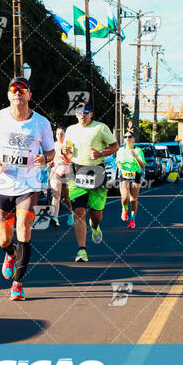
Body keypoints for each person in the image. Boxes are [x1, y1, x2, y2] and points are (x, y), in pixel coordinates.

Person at [0, 77, 55, 301]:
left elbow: (51, 152)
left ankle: (18, 284)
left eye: (22, 89)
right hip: (3, 184)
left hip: (28, 185)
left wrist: (44, 158)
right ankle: (10, 254)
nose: (18, 92)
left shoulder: (41, 123)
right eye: (13, 89)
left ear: (29, 95)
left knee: (23, 227)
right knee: (3, 240)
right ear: (9, 95)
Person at [64, 102, 119, 262]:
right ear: (75, 114)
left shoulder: (101, 128)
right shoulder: (70, 130)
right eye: (79, 111)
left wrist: (100, 152)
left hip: (96, 171)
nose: (82, 114)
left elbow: (115, 146)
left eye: (86, 111)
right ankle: (82, 250)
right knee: (78, 212)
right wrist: (65, 151)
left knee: (96, 214)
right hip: (76, 172)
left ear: (91, 114)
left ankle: (95, 226)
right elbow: (67, 151)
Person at [116, 131, 146, 228]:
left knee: (133, 199)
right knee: (125, 198)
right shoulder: (120, 150)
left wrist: (135, 156)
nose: (127, 138)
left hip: (135, 174)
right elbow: (117, 161)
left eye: (129, 136)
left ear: (133, 139)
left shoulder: (138, 150)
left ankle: (132, 219)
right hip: (124, 175)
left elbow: (143, 166)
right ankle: (124, 209)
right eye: (125, 136)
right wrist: (119, 165)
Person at [49, 126, 74, 227]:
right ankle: (55, 218)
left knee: (66, 198)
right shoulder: (53, 145)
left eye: (61, 134)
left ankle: (70, 213)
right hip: (56, 172)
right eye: (58, 134)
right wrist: (48, 162)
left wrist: (67, 154)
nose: (59, 136)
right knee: (56, 194)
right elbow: (50, 157)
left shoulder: (68, 145)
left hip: (67, 173)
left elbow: (71, 157)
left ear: (65, 134)